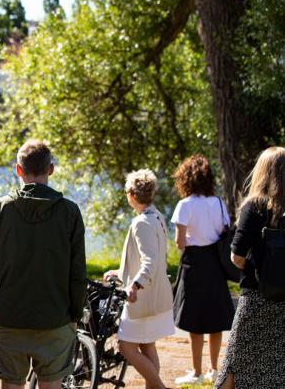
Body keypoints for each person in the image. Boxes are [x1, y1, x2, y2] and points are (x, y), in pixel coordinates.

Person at [0, 139, 87, 389]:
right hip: (55, 318)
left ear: (18, 170)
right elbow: (77, 271)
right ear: (51, 169)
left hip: (8, 317)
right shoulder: (70, 212)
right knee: (52, 384)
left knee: (11, 385)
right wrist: (75, 315)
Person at [215, 147, 285, 389]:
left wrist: (258, 267)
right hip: (283, 303)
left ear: (262, 172)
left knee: (234, 363)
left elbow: (237, 256)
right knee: (276, 368)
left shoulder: (254, 206)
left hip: (255, 298)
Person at [104, 169, 174, 389]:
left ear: (132, 194)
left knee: (126, 347)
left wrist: (133, 285)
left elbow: (150, 260)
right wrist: (122, 271)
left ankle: (160, 387)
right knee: (146, 345)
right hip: (157, 293)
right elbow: (154, 256)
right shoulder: (156, 216)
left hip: (142, 296)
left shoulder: (141, 222)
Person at [171, 155, 234, 386]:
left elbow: (179, 243)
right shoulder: (218, 202)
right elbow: (223, 231)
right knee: (215, 318)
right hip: (214, 263)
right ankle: (214, 368)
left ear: (186, 178)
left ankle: (196, 372)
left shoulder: (185, 204)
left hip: (194, 263)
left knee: (195, 318)